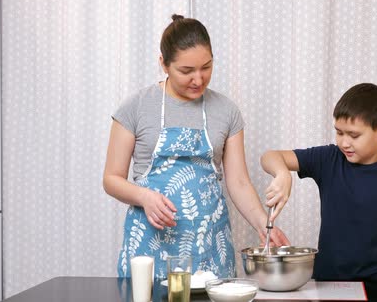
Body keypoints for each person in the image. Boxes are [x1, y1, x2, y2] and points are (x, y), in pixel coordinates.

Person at [103, 14, 289, 279]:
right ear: (163, 64)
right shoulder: (136, 108)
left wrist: (264, 225)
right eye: (186, 71)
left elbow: (238, 182)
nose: (199, 79)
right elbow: (111, 179)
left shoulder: (227, 111)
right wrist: (144, 197)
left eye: (206, 67)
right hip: (150, 247)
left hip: (210, 248)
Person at [260, 83, 377, 289]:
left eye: (354, 135)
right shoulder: (328, 159)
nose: (344, 143)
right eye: (339, 133)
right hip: (324, 283)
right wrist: (282, 173)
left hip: (375, 284)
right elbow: (270, 156)